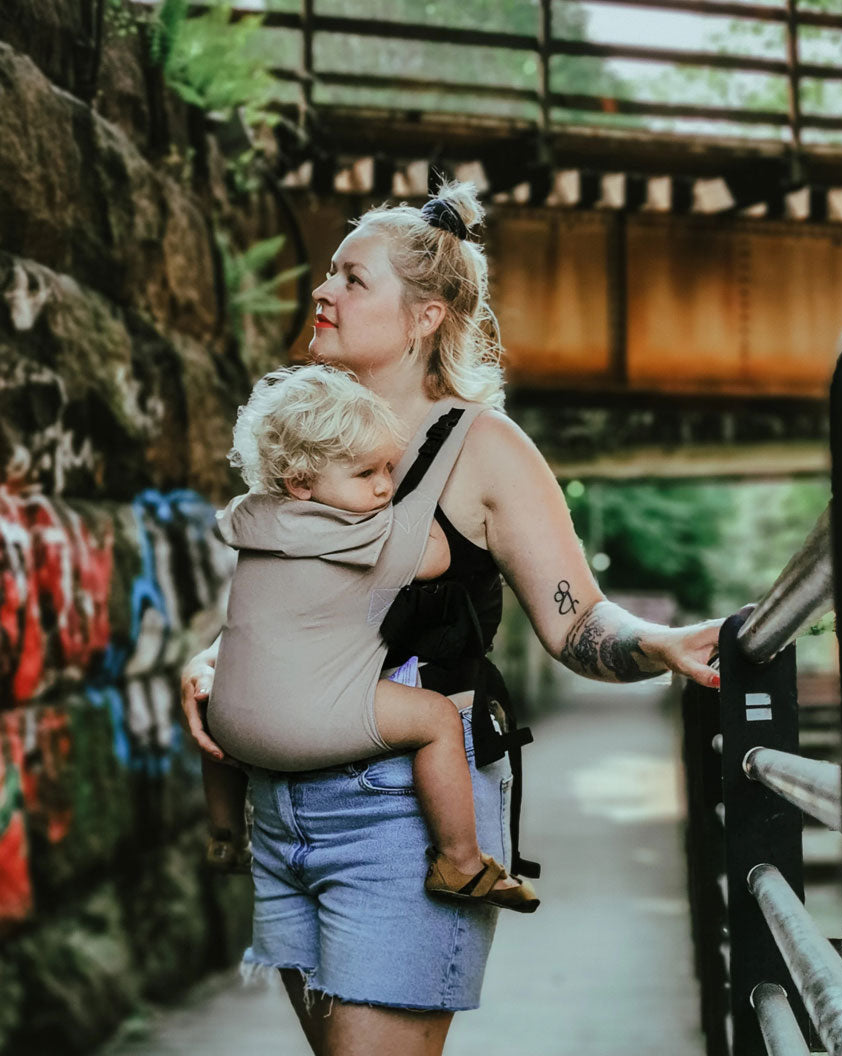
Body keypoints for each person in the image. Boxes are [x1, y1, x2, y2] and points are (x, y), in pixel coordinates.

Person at [181, 179, 722, 1056]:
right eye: (328, 274)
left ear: (425, 314)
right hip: (280, 815)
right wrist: (215, 663)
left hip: (403, 819)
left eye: (353, 279)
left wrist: (656, 643)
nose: (322, 290)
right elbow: (300, 600)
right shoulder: (304, 434)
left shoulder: (484, 447)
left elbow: (576, 620)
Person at [202, 362, 537, 912]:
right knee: (433, 719)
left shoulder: (253, 521)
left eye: (391, 467)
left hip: (229, 735)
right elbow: (439, 555)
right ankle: (461, 861)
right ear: (302, 483)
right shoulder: (363, 539)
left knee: (227, 699)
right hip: (307, 728)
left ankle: (223, 836)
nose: (385, 485)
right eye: (366, 475)